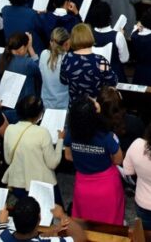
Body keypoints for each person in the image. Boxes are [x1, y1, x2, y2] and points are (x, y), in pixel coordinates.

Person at [63, 96, 124, 224]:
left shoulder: (71, 133)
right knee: (110, 224)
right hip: (107, 186)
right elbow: (118, 160)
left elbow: (68, 156)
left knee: (86, 223)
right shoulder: (107, 137)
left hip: (83, 185)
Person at [1, 95, 64, 200]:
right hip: (42, 185)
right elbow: (53, 163)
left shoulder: (9, 129)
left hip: (17, 185)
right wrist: (60, 140)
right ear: (39, 114)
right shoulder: (42, 132)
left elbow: (8, 160)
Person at [60, 23, 118, 104]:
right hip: (96, 107)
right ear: (90, 36)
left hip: (74, 107)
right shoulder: (100, 60)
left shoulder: (67, 58)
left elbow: (63, 81)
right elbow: (113, 81)